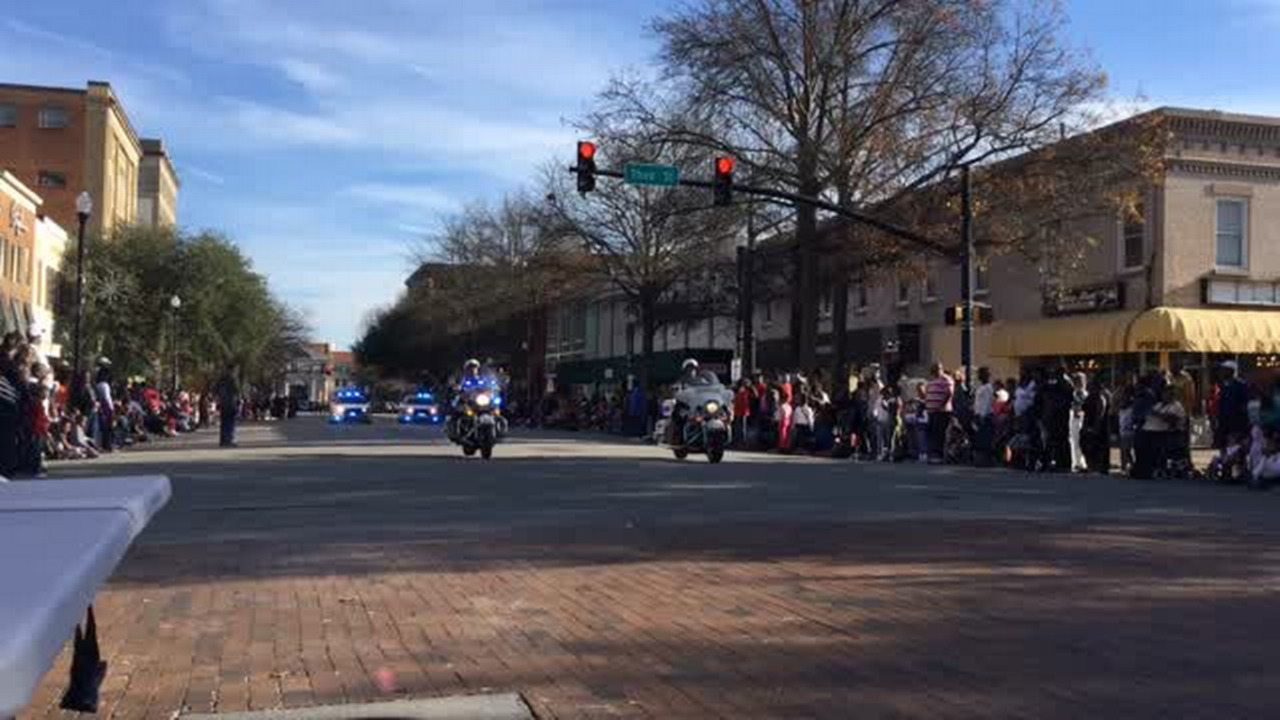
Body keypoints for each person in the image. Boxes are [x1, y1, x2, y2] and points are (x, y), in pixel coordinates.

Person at [924, 363, 954, 464]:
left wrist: (941, 405)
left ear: (940, 369)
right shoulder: (932, 381)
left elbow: (949, 393)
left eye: (935, 370)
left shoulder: (946, 379)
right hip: (932, 412)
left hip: (942, 412)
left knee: (940, 434)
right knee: (933, 434)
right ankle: (934, 455)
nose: (933, 373)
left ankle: (940, 456)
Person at [1216, 361, 1250, 450]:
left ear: (1231, 371)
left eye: (1224, 370)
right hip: (1224, 423)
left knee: (1235, 448)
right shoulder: (1223, 385)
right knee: (1224, 448)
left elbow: (1244, 404)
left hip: (1236, 423)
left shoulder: (1240, 385)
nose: (1222, 372)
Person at [1081, 376, 1111, 474]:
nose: (1088, 388)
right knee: (1086, 445)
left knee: (1096, 447)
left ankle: (1097, 466)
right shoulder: (1089, 397)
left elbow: (1099, 414)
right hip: (1087, 424)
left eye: (1091, 386)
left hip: (1097, 427)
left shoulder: (1100, 398)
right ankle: (1090, 465)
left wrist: (1095, 428)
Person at [972, 367, 995, 466]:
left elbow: (987, 403)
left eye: (981, 374)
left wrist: (982, 415)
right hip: (978, 415)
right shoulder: (980, 387)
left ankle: (987, 460)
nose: (979, 376)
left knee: (986, 439)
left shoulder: (988, 388)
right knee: (980, 439)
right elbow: (977, 402)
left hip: (985, 416)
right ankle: (980, 459)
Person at [1068, 372, 1089, 472]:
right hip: (1074, 419)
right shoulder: (1074, 393)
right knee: (1074, 442)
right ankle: (1076, 463)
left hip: (1081, 418)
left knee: (1080, 442)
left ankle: (1081, 463)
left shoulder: (1084, 394)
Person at [216, 363, 240, 448]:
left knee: (224, 423)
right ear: (232, 370)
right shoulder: (232, 380)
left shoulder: (221, 379)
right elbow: (236, 392)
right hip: (230, 403)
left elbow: (216, 390)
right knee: (230, 423)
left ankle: (223, 441)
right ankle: (229, 440)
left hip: (223, 403)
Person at [94, 359, 115, 452]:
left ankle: (106, 445)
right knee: (107, 427)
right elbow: (107, 398)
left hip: (101, 407)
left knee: (103, 427)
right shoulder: (104, 385)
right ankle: (107, 445)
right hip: (106, 408)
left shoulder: (97, 383)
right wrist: (111, 408)